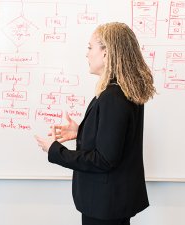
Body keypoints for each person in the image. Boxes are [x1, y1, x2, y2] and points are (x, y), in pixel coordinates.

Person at [35, 22, 156, 225]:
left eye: (91, 47)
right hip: (111, 203)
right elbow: (115, 140)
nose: (87, 54)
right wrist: (81, 131)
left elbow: (104, 159)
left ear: (106, 53)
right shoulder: (124, 91)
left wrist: (55, 151)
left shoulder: (113, 96)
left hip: (105, 206)